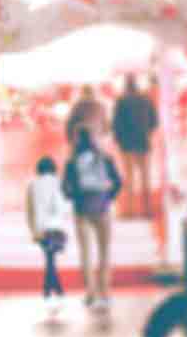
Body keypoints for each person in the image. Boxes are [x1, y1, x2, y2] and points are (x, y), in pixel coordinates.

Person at [62, 127, 122, 312]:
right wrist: (108, 197)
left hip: (81, 209)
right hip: (102, 207)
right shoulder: (105, 158)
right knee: (104, 253)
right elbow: (118, 181)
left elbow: (65, 188)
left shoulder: (72, 161)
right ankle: (105, 293)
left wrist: (75, 199)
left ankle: (90, 293)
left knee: (85, 253)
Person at [111, 75, 159, 218]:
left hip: (127, 145)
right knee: (145, 178)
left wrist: (119, 141)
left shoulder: (121, 101)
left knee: (129, 179)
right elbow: (155, 121)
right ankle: (147, 211)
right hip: (143, 142)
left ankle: (129, 212)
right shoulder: (146, 100)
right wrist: (147, 132)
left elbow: (116, 124)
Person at [25, 157, 71, 302]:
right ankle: (55, 289)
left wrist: (32, 230)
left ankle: (50, 289)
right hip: (57, 226)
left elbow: (30, 210)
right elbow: (65, 205)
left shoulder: (33, 185)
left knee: (49, 258)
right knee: (50, 258)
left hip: (41, 227)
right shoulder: (60, 183)